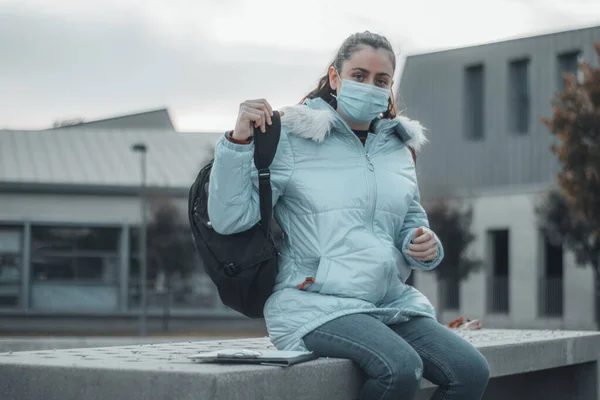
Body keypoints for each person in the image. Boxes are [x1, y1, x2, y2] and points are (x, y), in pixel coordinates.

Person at [207, 31, 489, 400]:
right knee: (399, 368)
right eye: (359, 75)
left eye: (381, 80)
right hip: (315, 304)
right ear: (335, 77)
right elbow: (230, 218)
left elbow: (410, 220)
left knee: (470, 371)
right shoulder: (292, 137)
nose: (370, 86)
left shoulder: (398, 147)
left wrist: (423, 243)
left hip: (388, 302)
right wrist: (237, 142)